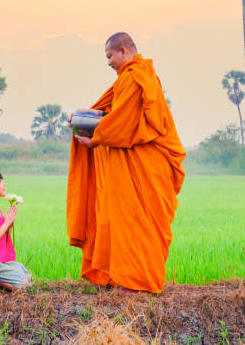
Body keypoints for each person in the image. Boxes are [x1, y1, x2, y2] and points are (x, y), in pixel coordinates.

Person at [66, 32, 186, 293]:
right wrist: (82, 119)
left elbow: (122, 122)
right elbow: (113, 114)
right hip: (131, 162)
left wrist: (95, 137)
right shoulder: (129, 79)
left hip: (146, 163)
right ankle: (123, 276)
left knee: (139, 221)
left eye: (109, 56)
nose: (108, 62)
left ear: (123, 51)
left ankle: (137, 283)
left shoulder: (136, 77)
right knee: (121, 220)